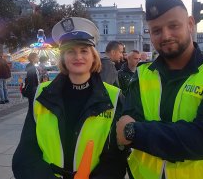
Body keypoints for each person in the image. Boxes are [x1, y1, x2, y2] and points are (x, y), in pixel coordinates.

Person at [116, 0, 203, 179]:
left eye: (173, 25)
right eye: (156, 30)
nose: (166, 35)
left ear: (191, 24)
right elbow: (126, 118)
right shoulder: (142, 74)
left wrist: (134, 132)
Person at [12, 17, 127, 179]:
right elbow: (26, 152)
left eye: (84, 51)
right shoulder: (42, 94)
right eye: (70, 51)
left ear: (94, 56)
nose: (77, 56)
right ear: (63, 58)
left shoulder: (114, 97)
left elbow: (116, 160)